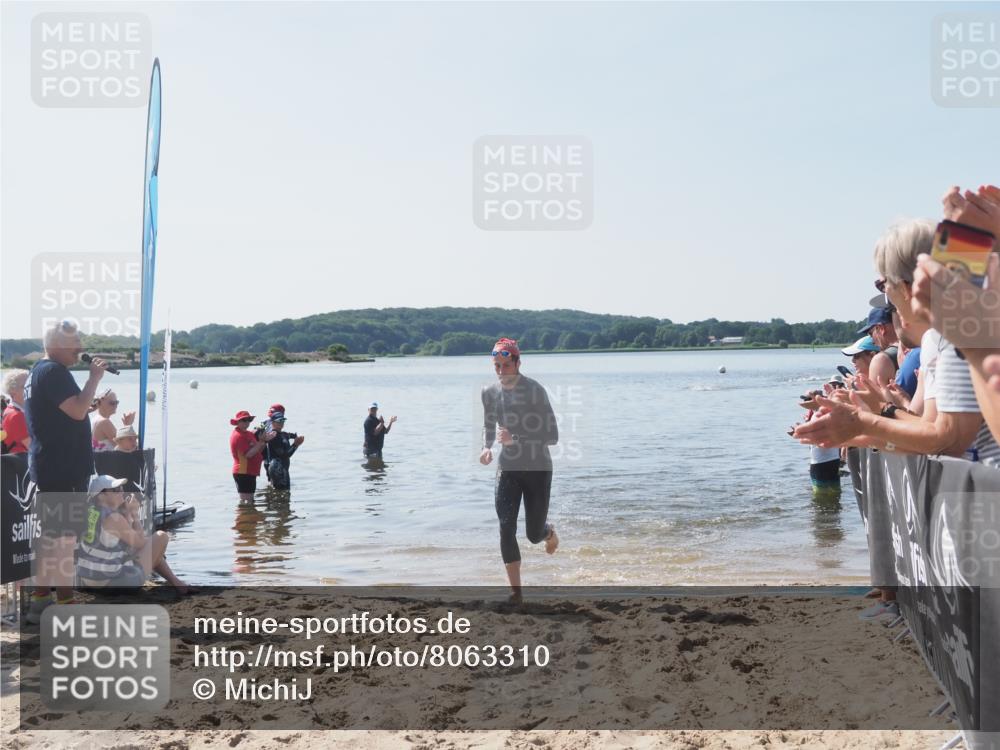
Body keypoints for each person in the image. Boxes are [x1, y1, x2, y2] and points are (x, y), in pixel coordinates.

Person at [23, 320, 110, 623]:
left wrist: (87, 403)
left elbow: (69, 412)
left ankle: (41, 601)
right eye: (75, 344)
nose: (81, 350)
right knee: (63, 541)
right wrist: (94, 379)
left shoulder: (38, 372)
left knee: (51, 539)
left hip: (51, 466)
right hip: (62, 468)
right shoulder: (54, 372)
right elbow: (74, 410)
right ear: (58, 345)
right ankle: (65, 603)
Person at [479, 338, 559, 600]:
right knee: (505, 526)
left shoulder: (535, 390)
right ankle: (516, 593)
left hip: (538, 469)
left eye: (506, 365)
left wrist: (516, 439)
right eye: (497, 366)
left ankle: (549, 533)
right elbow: (489, 425)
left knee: (533, 535)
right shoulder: (489, 392)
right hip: (508, 468)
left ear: (518, 362)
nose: (501, 372)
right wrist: (486, 446)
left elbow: (552, 435)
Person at [76, 474, 187, 592]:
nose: (121, 492)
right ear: (101, 496)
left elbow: (127, 543)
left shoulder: (91, 511)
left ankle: (176, 583)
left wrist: (127, 513)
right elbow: (140, 543)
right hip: (108, 583)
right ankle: (177, 583)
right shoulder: (113, 518)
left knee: (151, 549)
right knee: (161, 537)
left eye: (121, 489)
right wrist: (135, 514)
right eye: (116, 490)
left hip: (87, 579)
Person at [230, 409, 274, 502]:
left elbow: (257, 451)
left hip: (250, 472)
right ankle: (243, 516)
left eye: (249, 420)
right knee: (246, 502)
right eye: (244, 420)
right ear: (238, 422)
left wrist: (265, 441)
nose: (247, 422)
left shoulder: (249, 434)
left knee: (250, 502)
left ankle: (248, 516)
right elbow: (248, 455)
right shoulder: (238, 436)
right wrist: (261, 441)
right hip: (243, 472)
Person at [261, 410, 304, 490]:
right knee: (281, 492)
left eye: (283, 420)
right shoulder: (273, 436)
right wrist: (295, 445)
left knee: (285, 494)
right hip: (277, 468)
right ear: (273, 423)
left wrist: (297, 437)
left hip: (284, 468)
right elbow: (284, 455)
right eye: (279, 421)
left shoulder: (283, 434)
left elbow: (291, 435)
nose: (281, 423)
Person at [857, 306, 899, 387]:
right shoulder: (914, 349)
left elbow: (875, 399)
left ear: (881, 328)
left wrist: (858, 387)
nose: (872, 340)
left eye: (871, 333)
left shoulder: (881, 359)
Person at [2, 369, 31, 454]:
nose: (31, 389)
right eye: (26, 386)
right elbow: (35, 448)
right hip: (21, 464)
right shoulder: (15, 416)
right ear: (12, 391)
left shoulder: (19, 411)